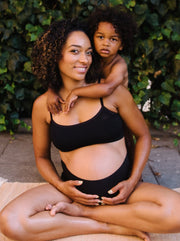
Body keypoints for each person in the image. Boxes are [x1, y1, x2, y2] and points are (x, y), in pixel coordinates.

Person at [0, 18, 180, 241]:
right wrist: (62, 187)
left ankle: (87, 213)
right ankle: (109, 226)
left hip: (121, 190)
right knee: (10, 222)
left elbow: (143, 135)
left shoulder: (112, 93)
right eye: (75, 51)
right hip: (75, 192)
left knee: (177, 213)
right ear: (56, 55)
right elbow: (41, 157)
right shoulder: (44, 106)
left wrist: (132, 181)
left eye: (88, 52)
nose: (84, 59)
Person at [46, 6, 137, 114]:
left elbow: (107, 88)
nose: (106, 43)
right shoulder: (90, 57)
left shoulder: (118, 65)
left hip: (119, 112)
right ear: (92, 38)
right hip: (96, 107)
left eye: (113, 39)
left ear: (121, 45)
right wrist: (51, 91)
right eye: (100, 37)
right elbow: (63, 74)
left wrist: (76, 92)